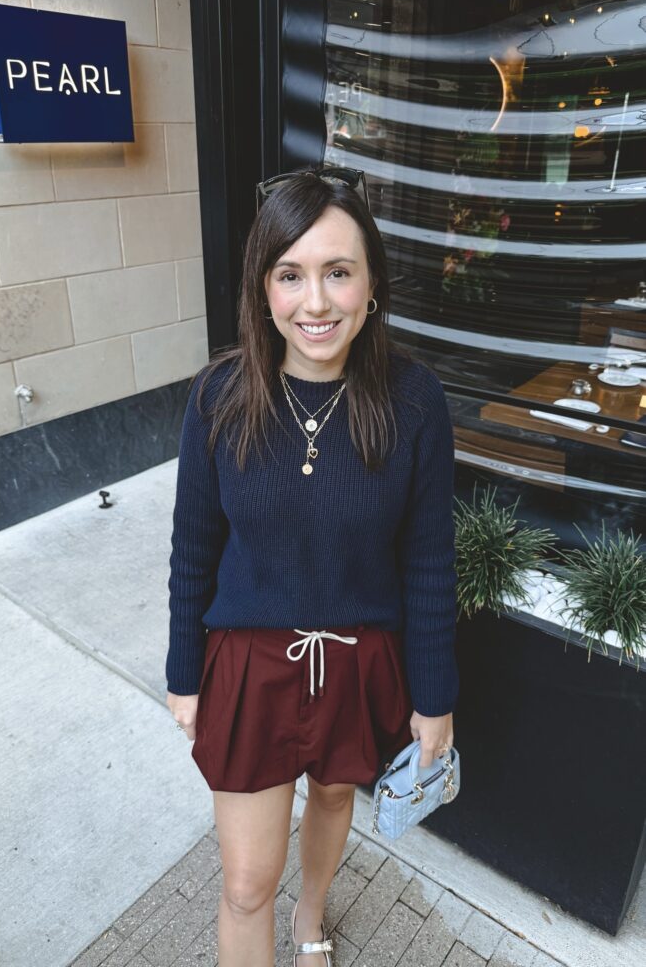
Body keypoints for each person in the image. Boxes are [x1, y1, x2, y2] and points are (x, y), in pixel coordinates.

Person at [165, 166, 459, 967]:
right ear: (264, 290)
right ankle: (276, 915)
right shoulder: (218, 398)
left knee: (333, 798)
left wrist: (435, 700)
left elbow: (430, 560)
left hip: (360, 659)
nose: (316, 302)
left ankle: (313, 916)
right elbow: (194, 547)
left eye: (338, 272)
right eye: (290, 275)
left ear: (371, 287)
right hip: (250, 666)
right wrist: (184, 674)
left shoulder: (413, 401)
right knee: (243, 884)